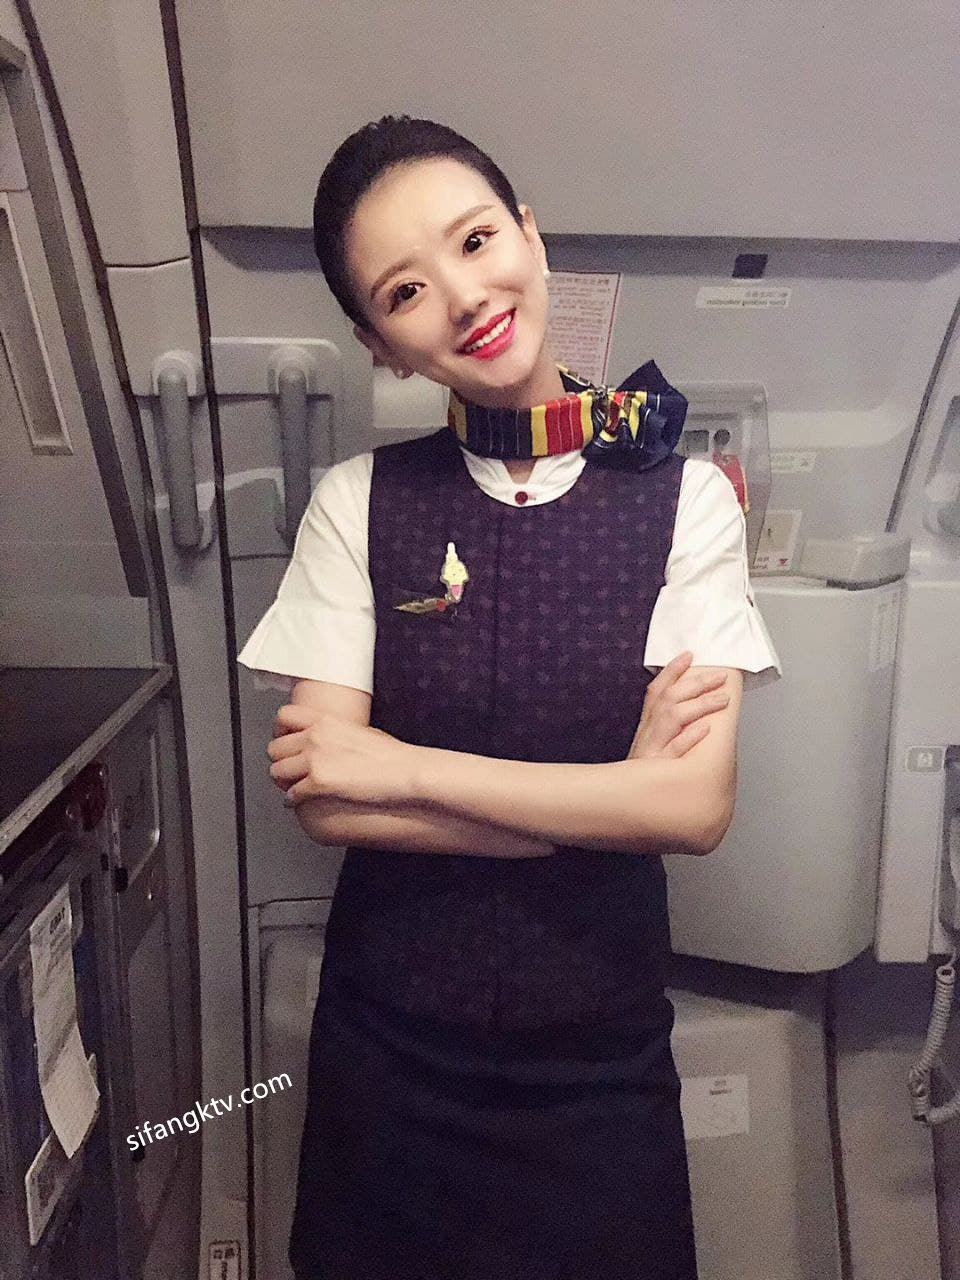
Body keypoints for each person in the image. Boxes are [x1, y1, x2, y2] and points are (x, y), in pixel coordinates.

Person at [237, 115, 781, 1280]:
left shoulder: (688, 499)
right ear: (380, 343)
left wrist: (400, 766)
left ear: (531, 235)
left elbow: (692, 808)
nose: (465, 295)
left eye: (477, 239)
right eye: (405, 290)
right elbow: (324, 797)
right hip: (389, 1057)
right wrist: (601, 804)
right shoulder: (356, 500)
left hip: (597, 1066)